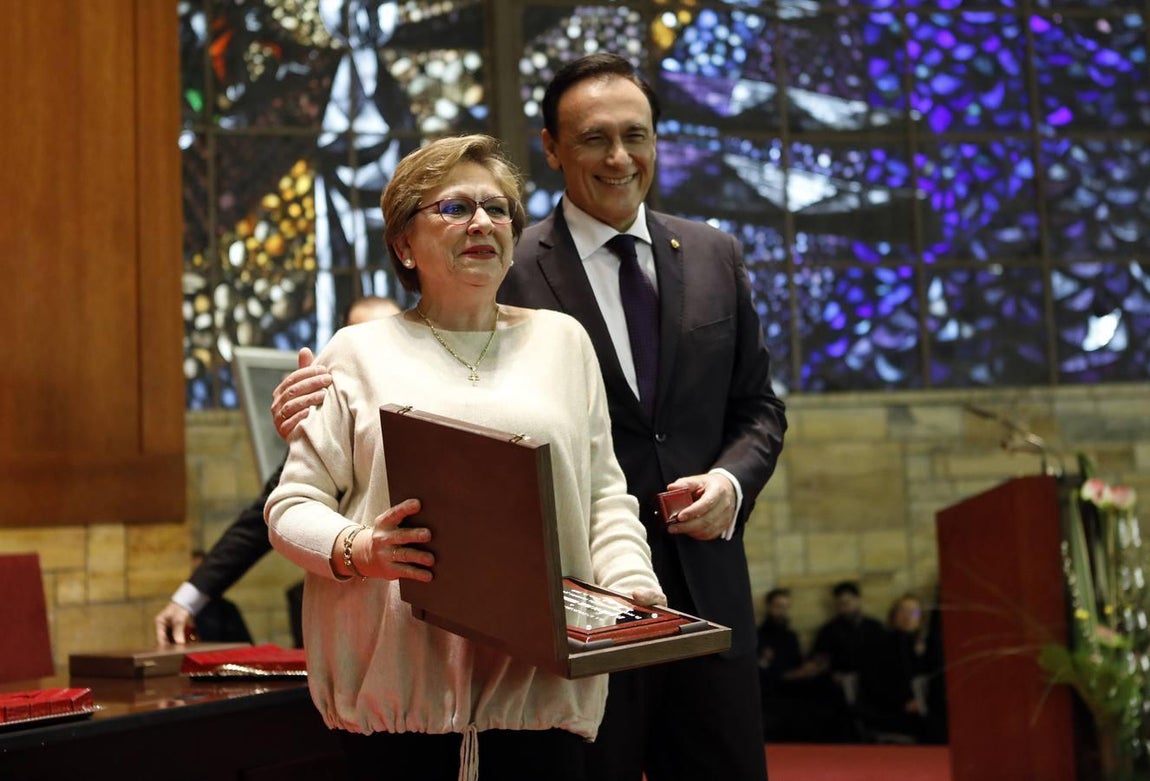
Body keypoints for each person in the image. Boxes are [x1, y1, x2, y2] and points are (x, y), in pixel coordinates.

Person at [264, 133, 665, 781]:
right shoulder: (357, 352)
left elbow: (602, 497)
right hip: (400, 698)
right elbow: (291, 508)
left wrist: (630, 591)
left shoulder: (563, 342)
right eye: (454, 207)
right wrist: (360, 548)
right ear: (404, 244)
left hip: (539, 689)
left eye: (497, 208)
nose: (482, 222)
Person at [498, 53, 788, 781]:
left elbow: (757, 407)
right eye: (594, 139)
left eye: (637, 135)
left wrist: (731, 482)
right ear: (551, 148)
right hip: (580, 603)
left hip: (708, 597)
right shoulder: (510, 268)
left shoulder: (715, 253)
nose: (620, 158)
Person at [153, 296, 400, 646]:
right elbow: (265, 515)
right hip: (355, 605)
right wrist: (188, 599)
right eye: (361, 339)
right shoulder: (329, 418)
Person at [756, 588, 855, 744]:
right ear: (769, 607)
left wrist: (811, 668)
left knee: (828, 686)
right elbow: (765, 671)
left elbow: (796, 661)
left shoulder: (790, 636)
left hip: (795, 681)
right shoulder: (759, 636)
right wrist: (794, 674)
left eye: (786, 607)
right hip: (775, 686)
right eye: (778, 606)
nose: (782, 612)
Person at [854, 592, 930, 742]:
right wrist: (904, 703)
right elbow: (873, 683)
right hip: (889, 709)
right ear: (893, 615)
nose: (908, 616)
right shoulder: (880, 644)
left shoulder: (924, 645)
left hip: (919, 707)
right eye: (902, 611)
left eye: (914, 612)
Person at [809, 580, 888, 685]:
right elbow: (820, 659)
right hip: (843, 683)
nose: (844, 608)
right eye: (840, 604)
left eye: (847, 603)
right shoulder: (829, 630)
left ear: (858, 600)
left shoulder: (874, 627)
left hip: (874, 681)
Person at [183, 549, 253, 643]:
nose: (197, 579)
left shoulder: (227, 609)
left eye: (201, 574)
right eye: (194, 573)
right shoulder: (182, 610)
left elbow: (244, 644)